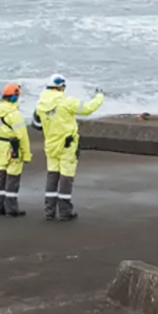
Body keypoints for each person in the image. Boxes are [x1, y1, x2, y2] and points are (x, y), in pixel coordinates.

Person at [32, 74, 104, 221]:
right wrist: (99, 97)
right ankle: (65, 212)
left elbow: (37, 125)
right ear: (61, 87)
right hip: (67, 145)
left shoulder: (40, 104)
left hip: (51, 145)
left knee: (52, 176)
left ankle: (49, 211)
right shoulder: (67, 102)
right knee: (66, 177)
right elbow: (88, 109)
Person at [0, 82, 32, 217]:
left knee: (1, 176)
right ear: (14, 97)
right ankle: (11, 209)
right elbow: (23, 136)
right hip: (12, 148)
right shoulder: (15, 114)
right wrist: (26, 154)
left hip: (1, 147)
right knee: (13, 178)